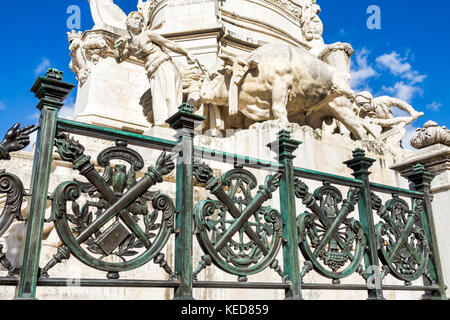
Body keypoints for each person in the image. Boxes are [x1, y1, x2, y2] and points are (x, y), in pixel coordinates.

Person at [114, 12, 199, 126]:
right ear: (128, 22)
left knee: (170, 96)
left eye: (141, 20)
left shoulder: (148, 34)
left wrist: (186, 53)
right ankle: (162, 125)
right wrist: (117, 47)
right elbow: (119, 59)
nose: (139, 21)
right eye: (136, 18)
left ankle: (174, 125)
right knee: (158, 100)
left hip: (164, 65)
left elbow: (168, 43)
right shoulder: (129, 45)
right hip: (153, 72)